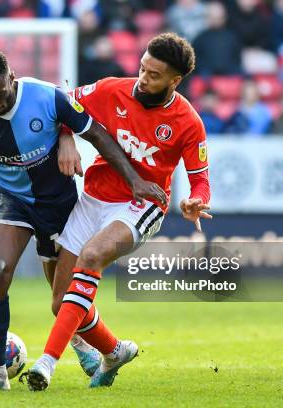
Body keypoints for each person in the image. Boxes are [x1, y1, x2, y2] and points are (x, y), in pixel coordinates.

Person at [0, 49, 166, 391]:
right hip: (10, 200)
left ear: (12, 78)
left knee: (60, 297)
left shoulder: (45, 97)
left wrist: (132, 178)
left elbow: (98, 134)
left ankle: (95, 345)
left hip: (58, 203)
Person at [25, 32, 212, 391]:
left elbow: (200, 180)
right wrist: (66, 136)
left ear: (175, 80)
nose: (143, 78)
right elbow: (63, 104)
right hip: (93, 197)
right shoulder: (112, 89)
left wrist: (195, 201)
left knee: (92, 256)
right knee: (60, 302)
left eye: (154, 75)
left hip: (141, 204)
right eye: (143, 67)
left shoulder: (188, 122)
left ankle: (47, 363)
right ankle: (115, 351)